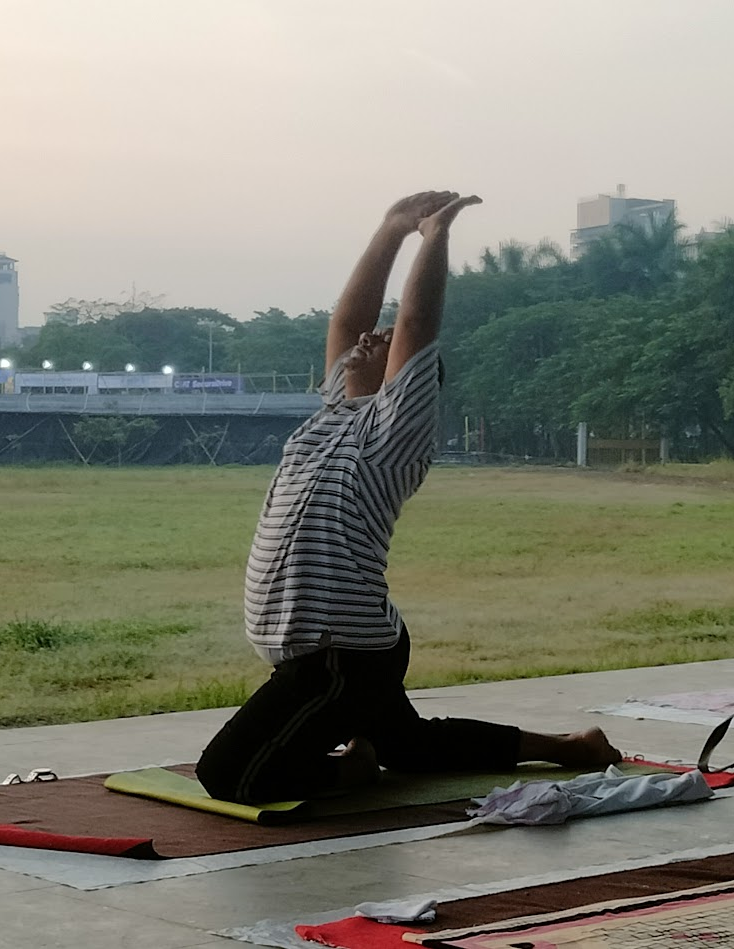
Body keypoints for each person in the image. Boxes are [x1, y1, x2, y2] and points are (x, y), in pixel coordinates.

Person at [198, 192, 621, 805]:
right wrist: (391, 229)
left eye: (384, 343)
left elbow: (418, 326)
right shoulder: (332, 417)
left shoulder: (392, 435)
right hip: (350, 645)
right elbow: (346, 323)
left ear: (404, 384)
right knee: (409, 745)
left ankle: (351, 770)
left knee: (229, 775)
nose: (369, 340)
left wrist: (435, 236)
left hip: (339, 656)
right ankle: (570, 747)